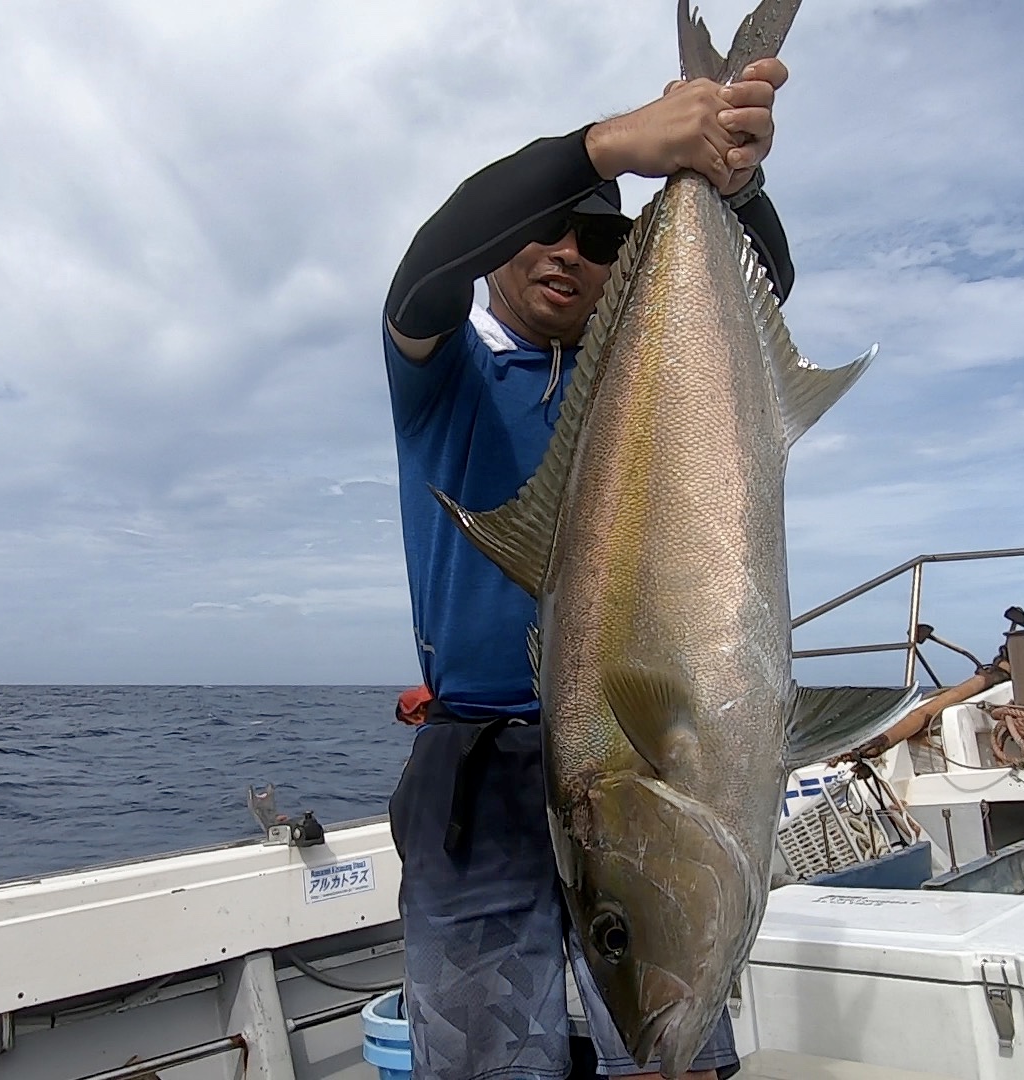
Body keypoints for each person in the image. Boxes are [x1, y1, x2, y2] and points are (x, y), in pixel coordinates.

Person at [381, 59, 795, 1080]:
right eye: (545, 227)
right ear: (499, 248)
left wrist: (730, 178)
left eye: (604, 236)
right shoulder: (445, 379)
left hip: (649, 759)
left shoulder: (662, 374)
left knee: (672, 1039)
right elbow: (425, 268)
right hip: (480, 768)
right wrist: (612, 146)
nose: (570, 253)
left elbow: (763, 287)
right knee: (483, 1062)